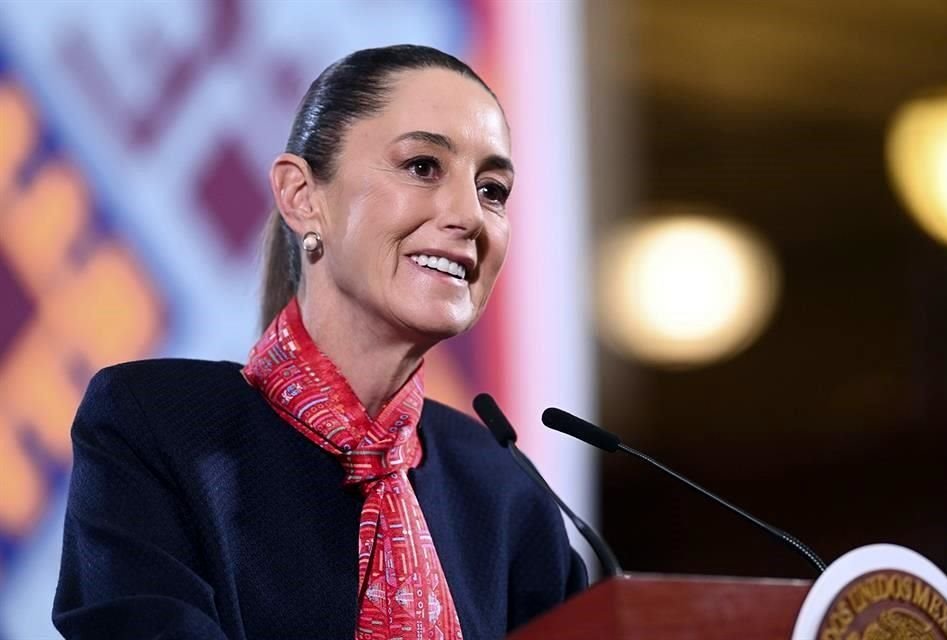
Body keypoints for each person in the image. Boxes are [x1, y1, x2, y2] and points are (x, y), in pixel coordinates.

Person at [52, 44, 587, 640]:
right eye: (422, 166)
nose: (470, 214)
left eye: (493, 189)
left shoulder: (505, 491)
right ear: (302, 196)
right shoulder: (155, 423)